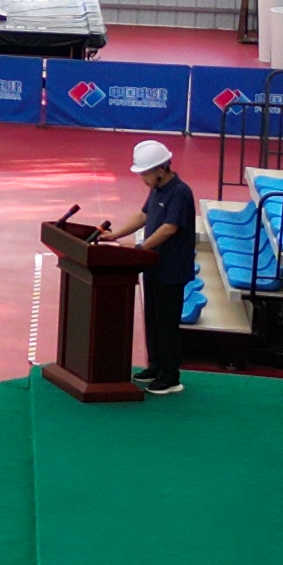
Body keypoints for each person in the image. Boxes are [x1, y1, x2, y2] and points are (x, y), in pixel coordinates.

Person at [89, 141, 201, 396]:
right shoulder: (157, 189)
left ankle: (170, 376)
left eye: (145, 173)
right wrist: (115, 235)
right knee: (152, 319)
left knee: (167, 323)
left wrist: (140, 247)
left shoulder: (180, 192)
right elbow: (143, 216)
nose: (142, 178)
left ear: (161, 169)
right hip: (153, 267)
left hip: (171, 270)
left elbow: (169, 228)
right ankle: (155, 366)